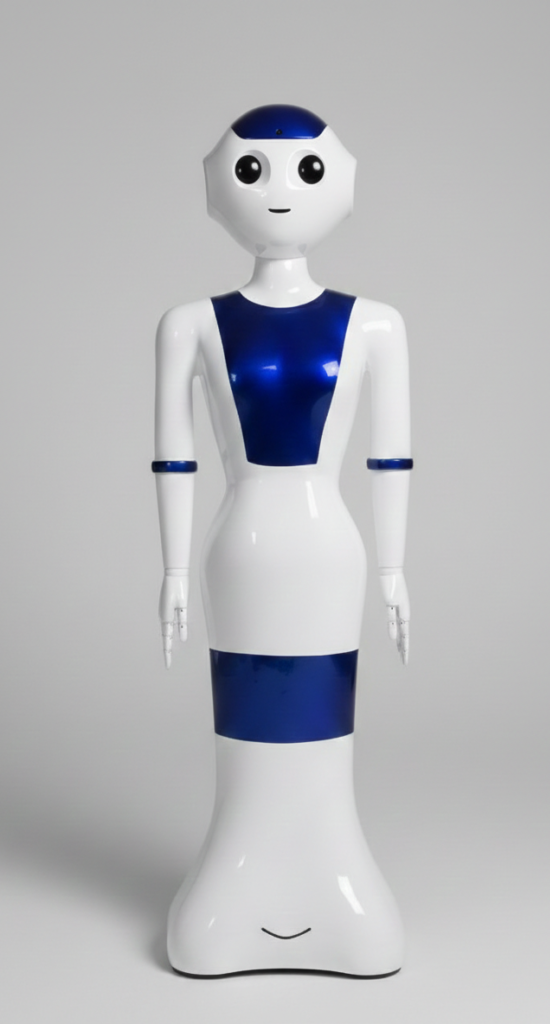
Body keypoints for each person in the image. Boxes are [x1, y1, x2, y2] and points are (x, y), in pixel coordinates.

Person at [153, 104, 412, 977]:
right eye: (251, 169)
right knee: (249, 722)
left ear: (343, 182)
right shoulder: (190, 323)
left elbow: (390, 458)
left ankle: (331, 881)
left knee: (320, 723)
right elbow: (175, 460)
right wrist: (174, 572)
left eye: (305, 171)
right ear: (216, 186)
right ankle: (240, 880)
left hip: (326, 548)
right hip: (241, 548)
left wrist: (392, 568)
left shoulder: (376, 323)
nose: (277, 191)